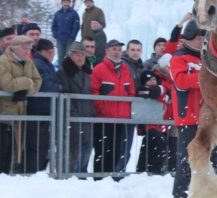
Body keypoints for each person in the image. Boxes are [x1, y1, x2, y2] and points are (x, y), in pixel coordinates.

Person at [0, 35, 42, 174]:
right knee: (0, 147)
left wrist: (26, 90)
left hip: (19, 110)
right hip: (1, 111)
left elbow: (37, 81)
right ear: (15, 49)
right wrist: (25, 82)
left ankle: (7, 173)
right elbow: (4, 84)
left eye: (29, 48)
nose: (27, 51)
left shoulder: (29, 62)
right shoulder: (4, 62)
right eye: (25, 48)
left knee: (13, 147)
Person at [170, 19, 207, 198]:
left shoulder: (206, 58)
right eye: (197, 37)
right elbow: (181, 82)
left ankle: (214, 194)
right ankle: (180, 196)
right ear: (188, 37)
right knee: (187, 161)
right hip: (188, 118)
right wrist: (206, 78)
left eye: (203, 36)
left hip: (208, 118)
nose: (201, 40)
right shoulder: (178, 58)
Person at [90, 39, 135, 176]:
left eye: (119, 49)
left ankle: (110, 178)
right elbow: (94, 91)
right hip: (104, 119)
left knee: (116, 150)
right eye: (114, 49)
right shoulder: (99, 69)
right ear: (107, 51)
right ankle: (99, 178)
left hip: (120, 119)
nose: (117, 52)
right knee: (102, 150)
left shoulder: (125, 69)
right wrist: (101, 109)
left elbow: (131, 91)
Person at [57, 42, 95, 173]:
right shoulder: (64, 71)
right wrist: (73, 114)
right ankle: (67, 175)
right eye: (77, 55)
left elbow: (90, 92)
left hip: (86, 116)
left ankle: (81, 174)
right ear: (70, 55)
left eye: (82, 55)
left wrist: (91, 113)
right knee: (72, 149)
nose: (80, 58)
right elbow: (65, 94)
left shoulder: (86, 71)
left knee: (87, 148)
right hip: (72, 117)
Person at [25, 38, 60, 173]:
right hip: (38, 110)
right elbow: (45, 86)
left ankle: (37, 172)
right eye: (50, 52)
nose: (52, 54)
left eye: (53, 51)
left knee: (42, 146)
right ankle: (33, 173)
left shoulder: (47, 64)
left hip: (44, 110)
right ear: (42, 52)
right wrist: (59, 87)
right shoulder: (39, 64)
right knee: (37, 146)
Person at [135, 70, 172, 174]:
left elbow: (166, 96)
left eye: (153, 79)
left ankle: (142, 169)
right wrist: (163, 88)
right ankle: (156, 169)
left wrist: (162, 90)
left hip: (159, 124)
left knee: (148, 146)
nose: (152, 82)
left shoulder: (159, 90)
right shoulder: (142, 90)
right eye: (149, 80)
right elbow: (152, 92)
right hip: (147, 124)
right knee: (160, 141)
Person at [119, 39, 146, 171]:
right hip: (122, 109)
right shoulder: (123, 65)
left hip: (133, 110)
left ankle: (121, 170)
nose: (135, 53)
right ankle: (116, 171)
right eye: (133, 50)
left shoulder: (141, 66)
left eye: (138, 50)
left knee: (127, 143)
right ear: (127, 51)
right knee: (119, 143)